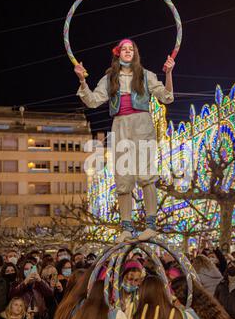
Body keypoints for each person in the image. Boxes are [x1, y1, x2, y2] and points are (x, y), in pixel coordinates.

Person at [75, 38, 175, 242]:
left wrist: (169, 73)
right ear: (118, 53)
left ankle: (151, 225)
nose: (128, 51)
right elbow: (93, 101)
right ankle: (126, 228)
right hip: (119, 124)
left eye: (131, 49)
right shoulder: (110, 78)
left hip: (142, 123)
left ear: (135, 53)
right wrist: (82, 81)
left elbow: (166, 97)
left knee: (146, 175)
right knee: (123, 178)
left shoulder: (146, 75)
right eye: (124, 49)